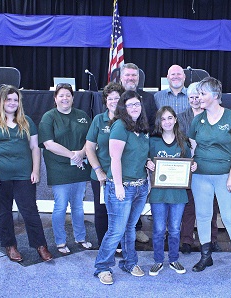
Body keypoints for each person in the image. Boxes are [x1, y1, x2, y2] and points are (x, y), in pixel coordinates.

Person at [0, 85, 53, 262]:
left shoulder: (26, 121)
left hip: (23, 176)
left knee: (30, 211)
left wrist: (35, 171)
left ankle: (41, 245)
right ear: (0, 101)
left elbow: (35, 147)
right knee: (3, 212)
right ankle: (10, 246)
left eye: (15, 100)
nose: (12, 103)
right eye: (8, 99)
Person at [188, 77, 231, 280]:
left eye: (203, 93)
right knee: (203, 216)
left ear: (215, 95)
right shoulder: (198, 119)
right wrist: (192, 163)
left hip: (225, 177)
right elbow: (193, 147)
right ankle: (206, 256)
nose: (199, 97)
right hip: (201, 177)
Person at [94, 90, 150, 285]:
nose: (134, 108)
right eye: (130, 105)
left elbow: (139, 154)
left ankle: (129, 262)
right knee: (116, 231)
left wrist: (149, 162)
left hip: (140, 187)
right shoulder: (119, 126)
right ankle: (102, 267)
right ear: (123, 108)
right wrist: (118, 186)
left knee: (130, 228)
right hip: (121, 187)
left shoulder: (142, 127)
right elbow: (115, 158)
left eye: (137, 104)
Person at [38, 83, 92, 254]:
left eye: (68, 95)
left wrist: (82, 153)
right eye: (61, 95)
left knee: (78, 206)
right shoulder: (49, 117)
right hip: (59, 168)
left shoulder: (82, 116)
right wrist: (72, 155)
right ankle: (60, 241)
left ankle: (80, 237)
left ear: (73, 98)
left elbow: (90, 139)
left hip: (79, 167)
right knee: (60, 206)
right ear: (55, 98)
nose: (65, 98)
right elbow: (48, 144)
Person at [146, 106, 197, 276]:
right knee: (159, 229)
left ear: (175, 119)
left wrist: (193, 166)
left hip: (178, 194)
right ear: (159, 122)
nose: (166, 122)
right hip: (158, 194)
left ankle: (174, 259)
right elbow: (144, 158)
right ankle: (158, 261)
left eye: (169, 118)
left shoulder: (184, 142)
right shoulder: (152, 142)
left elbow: (189, 163)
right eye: (163, 119)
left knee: (175, 229)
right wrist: (148, 162)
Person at [178, 82, 222, 254]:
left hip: (209, 166)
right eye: (192, 97)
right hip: (188, 166)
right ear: (187, 99)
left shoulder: (213, 115)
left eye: (198, 96)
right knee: (189, 206)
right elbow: (180, 140)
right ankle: (187, 240)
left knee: (210, 206)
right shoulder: (181, 117)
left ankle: (211, 240)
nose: (195, 100)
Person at [120, 62, 158, 243]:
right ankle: (118, 233)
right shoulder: (113, 96)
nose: (131, 78)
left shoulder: (148, 99)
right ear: (121, 77)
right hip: (119, 153)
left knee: (137, 195)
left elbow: (152, 125)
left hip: (140, 154)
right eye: (127, 75)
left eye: (134, 76)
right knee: (120, 196)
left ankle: (136, 228)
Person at [85, 82, 124, 248]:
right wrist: (98, 170)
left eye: (117, 98)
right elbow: (89, 148)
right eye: (110, 98)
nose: (114, 101)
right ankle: (103, 246)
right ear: (105, 101)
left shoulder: (129, 120)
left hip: (124, 176)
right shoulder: (98, 120)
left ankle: (121, 245)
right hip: (102, 176)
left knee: (122, 213)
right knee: (102, 212)